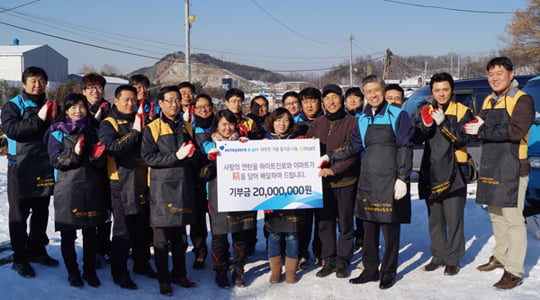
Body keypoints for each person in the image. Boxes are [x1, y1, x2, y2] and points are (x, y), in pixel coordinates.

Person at [325, 75, 414, 289]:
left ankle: (388, 271)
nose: (372, 95)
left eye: (376, 90)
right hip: (368, 180)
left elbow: (405, 147)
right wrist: (331, 157)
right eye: (368, 92)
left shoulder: (397, 114)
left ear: (382, 91)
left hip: (391, 179)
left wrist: (402, 178)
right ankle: (370, 269)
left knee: (389, 228)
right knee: (368, 227)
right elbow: (354, 145)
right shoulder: (363, 118)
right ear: (364, 95)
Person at [464, 57, 534, 290]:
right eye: (491, 74)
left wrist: (482, 129)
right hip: (492, 164)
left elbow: (516, 131)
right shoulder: (488, 99)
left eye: (499, 73)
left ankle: (514, 269)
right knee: (495, 215)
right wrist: (471, 126)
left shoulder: (522, 100)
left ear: (511, 75)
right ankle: (500, 256)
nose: (494, 78)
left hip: (513, 166)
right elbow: (482, 123)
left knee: (513, 220)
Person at [44, 93, 108, 287]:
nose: (77, 111)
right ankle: (73, 272)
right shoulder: (56, 132)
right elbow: (56, 160)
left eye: (81, 107)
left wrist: (97, 156)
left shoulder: (93, 130)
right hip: (67, 188)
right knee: (68, 233)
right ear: (66, 110)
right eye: (73, 107)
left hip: (91, 186)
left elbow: (100, 163)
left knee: (90, 232)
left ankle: (89, 271)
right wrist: (75, 153)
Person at [141, 86, 199, 296]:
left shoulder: (187, 127)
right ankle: (164, 278)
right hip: (161, 188)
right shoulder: (153, 127)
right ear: (161, 104)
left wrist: (194, 156)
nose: (175, 104)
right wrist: (177, 156)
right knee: (161, 237)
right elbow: (148, 157)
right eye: (170, 100)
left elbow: (194, 156)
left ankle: (180, 273)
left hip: (183, 186)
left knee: (180, 236)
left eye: (177, 100)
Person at [414, 73, 473, 276]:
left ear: (451, 90)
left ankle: (453, 258)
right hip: (431, 169)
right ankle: (438, 255)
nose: (441, 93)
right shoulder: (426, 110)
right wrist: (426, 125)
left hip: (455, 170)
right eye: (437, 90)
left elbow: (462, 140)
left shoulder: (463, 111)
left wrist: (444, 125)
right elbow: (417, 136)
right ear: (432, 92)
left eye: (445, 89)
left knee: (454, 217)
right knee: (435, 217)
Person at [1, 66, 58, 278]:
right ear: (24, 84)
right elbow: (12, 130)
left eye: (41, 81)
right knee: (19, 213)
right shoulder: (13, 106)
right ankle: (20, 257)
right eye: (33, 81)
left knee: (41, 211)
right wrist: (39, 120)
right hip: (20, 166)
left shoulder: (51, 104)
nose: (37, 85)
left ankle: (37, 250)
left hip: (43, 164)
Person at [99, 85, 156, 290]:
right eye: (126, 99)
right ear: (116, 101)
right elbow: (112, 149)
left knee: (142, 227)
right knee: (123, 229)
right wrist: (134, 133)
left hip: (143, 179)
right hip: (121, 181)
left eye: (134, 99)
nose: (130, 103)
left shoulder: (142, 119)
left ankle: (142, 264)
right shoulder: (109, 122)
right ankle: (119, 271)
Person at [307, 84, 359, 279]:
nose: (331, 102)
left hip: (345, 181)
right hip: (322, 185)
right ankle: (328, 259)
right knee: (324, 224)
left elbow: (353, 153)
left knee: (345, 223)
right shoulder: (317, 124)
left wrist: (334, 169)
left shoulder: (352, 122)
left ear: (341, 99)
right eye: (327, 99)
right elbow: (308, 150)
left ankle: (343, 260)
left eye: (334, 98)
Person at [202, 110, 257, 288]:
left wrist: (248, 150)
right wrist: (210, 160)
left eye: (231, 124)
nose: (227, 128)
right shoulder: (209, 144)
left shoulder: (242, 143)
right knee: (219, 234)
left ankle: (238, 267)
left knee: (239, 232)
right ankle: (220, 268)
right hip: (217, 195)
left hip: (239, 194)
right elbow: (202, 171)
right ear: (217, 126)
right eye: (223, 124)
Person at [263, 107, 302, 284]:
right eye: (278, 120)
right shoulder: (263, 141)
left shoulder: (298, 141)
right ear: (272, 122)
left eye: (286, 120)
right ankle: (276, 270)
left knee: (292, 235)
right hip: (271, 196)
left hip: (292, 195)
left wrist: (308, 147)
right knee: (273, 235)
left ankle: (291, 271)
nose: (282, 124)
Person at [80, 73, 112, 267]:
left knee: (106, 210)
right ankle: (90, 252)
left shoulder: (109, 108)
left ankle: (104, 247)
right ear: (84, 91)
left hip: (105, 166)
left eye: (98, 87)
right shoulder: (77, 109)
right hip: (84, 168)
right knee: (89, 211)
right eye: (90, 88)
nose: (95, 91)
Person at [223, 88, 260, 255]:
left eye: (239, 101)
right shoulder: (221, 121)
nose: (236, 104)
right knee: (230, 213)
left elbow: (258, 143)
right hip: (227, 174)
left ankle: (249, 244)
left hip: (247, 173)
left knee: (249, 212)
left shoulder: (249, 122)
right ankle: (230, 249)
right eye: (233, 101)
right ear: (226, 103)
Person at [294, 86, 324, 268]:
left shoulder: (327, 120)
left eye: (312, 101)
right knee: (303, 221)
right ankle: (302, 253)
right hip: (302, 180)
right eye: (305, 102)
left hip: (323, 176)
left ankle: (320, 253)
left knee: (322, 220)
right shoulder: (295, 124)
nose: (309, 105)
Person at [189, 94, 214, 269]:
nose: (203, 110)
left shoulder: (220, 124)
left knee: (217, 219)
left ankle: (219, 251)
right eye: (199, 107)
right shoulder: (189, 128)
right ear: (194, 109)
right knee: (197, 220)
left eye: (206, 106)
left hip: (215, 180)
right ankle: (200, 251)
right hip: (196, 179)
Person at [344, 86, 365, 252]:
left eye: (356, 97)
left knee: (361, 204)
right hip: (344, 168)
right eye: (349, 97)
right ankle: (347, 236)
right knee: (346, 207)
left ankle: (362, 235)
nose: (352, 100)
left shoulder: (364, 117)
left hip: (363, 166)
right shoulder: (341, 118)